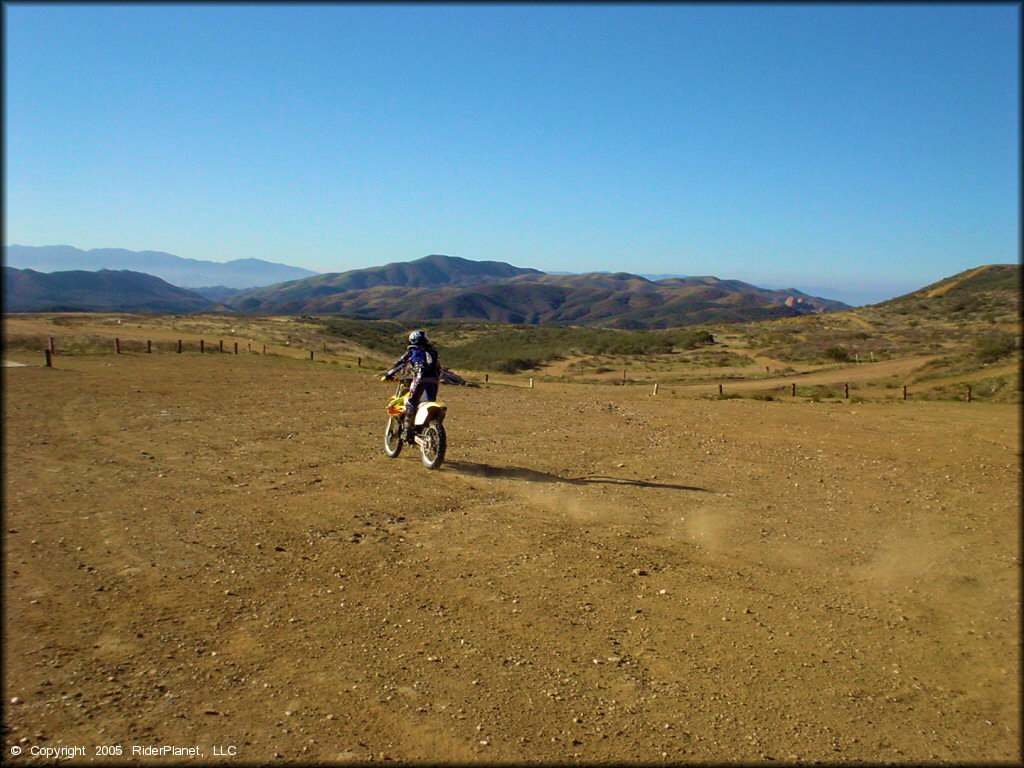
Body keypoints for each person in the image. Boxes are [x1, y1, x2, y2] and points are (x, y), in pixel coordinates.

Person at [382, 330, 441, 443]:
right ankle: (426, 428)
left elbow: (400, 363)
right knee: (430, 402)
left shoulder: (413, 351)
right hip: (433, 381)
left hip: (420, 379)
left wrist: (389, 374)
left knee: (411, 402)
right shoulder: (433, 352)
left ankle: (407, 432)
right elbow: (438, 368)